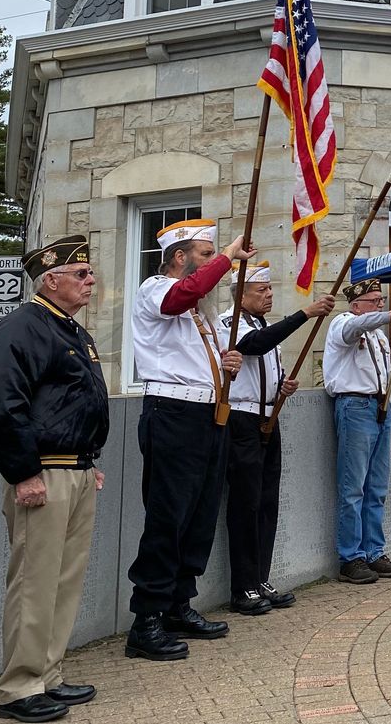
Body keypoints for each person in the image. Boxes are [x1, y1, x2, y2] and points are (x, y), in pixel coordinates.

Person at [0, 234, 109, 724]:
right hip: (43, 474)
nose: (91, 280)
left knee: (63, 581)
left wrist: (90, 457)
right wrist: (23, 471)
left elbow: (78, 404)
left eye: (91, 272)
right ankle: (19, 687)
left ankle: (48, 674)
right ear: (50, 280)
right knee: (34, 583)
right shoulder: (22, 328)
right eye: (81, 274)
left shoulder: (71, 330)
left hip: (73, 469)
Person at [125, 218, 254, 660]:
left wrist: (227, 362)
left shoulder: (202, 313)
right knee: (169, 515)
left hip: (208, 412)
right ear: (179, 257)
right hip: (173, 412)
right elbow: (182, 296)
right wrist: (228, 257)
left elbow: (204, 354)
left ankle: (179, 602)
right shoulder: (156, 288)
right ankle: (146, 618)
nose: (211, 262)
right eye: (204, 253)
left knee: (199, 514)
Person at [219, 260, 334, 615]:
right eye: (261, 291)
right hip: (241, 419)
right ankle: (243, 586)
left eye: (270, 290)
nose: (269, 295)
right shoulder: (229, 323)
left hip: (270, 415)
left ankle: (260, 577)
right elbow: (254, 345)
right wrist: (305, 313)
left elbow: (267, 358)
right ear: (241, 295)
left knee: (268, 501)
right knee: (245, 503)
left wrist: (282, 385)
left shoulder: (265, 325)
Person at [322, 277, 391, 584]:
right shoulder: (343, 323)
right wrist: (390, 317)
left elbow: (385, 381)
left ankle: (374, 551)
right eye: (374, 302)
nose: (379, 306)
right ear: (356, 304)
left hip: (379, 408)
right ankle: (351, 557)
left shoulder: (380, 337)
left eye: (381, 302)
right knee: (353, 489)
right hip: (355, 407)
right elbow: (352, 331)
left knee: (376, 488)